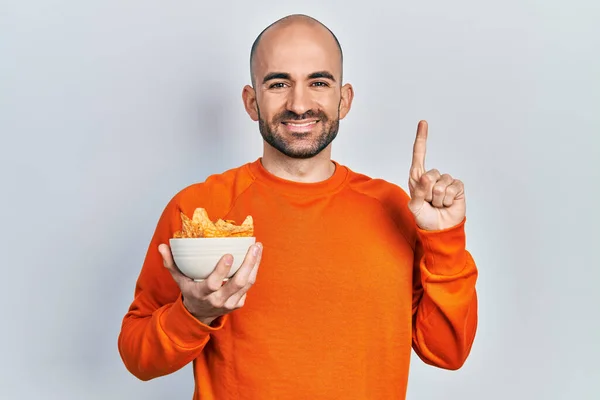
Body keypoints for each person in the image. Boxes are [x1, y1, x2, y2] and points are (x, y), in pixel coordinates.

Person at [118, 13, 478, 400]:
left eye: (318, 82)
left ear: (344, 99)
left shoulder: (395, 209)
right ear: (251, 101)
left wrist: (444, 240)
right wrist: (194, 313)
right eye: (278, 84)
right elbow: (139, 358)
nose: (299, 104)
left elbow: (447, 352)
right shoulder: (198, 210)